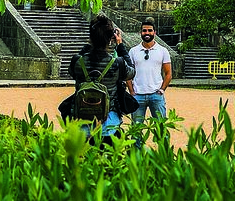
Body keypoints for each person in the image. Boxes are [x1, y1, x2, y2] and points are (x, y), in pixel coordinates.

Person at [68, 15, 135, 143]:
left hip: (81, 120)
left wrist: (89, 44)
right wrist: (120, 45)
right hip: (108, 122)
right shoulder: (117, 63)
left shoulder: (77, 61)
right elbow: (131, 72)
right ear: (110, 39)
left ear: (90, 36)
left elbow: (72, 72)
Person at [127, 17, 173, 128]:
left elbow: (168, 73)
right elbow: (127, 74)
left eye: (149, 30)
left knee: (160, 129)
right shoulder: (133, 51)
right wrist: (132, 91)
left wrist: (162, 90)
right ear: (140, 33)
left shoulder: (163, 51)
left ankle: (163, 146)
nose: (147, 33)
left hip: (156, 95)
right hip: (138, 95)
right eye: (144, 30)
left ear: (154, 32)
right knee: (136, 130)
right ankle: (136, 146)